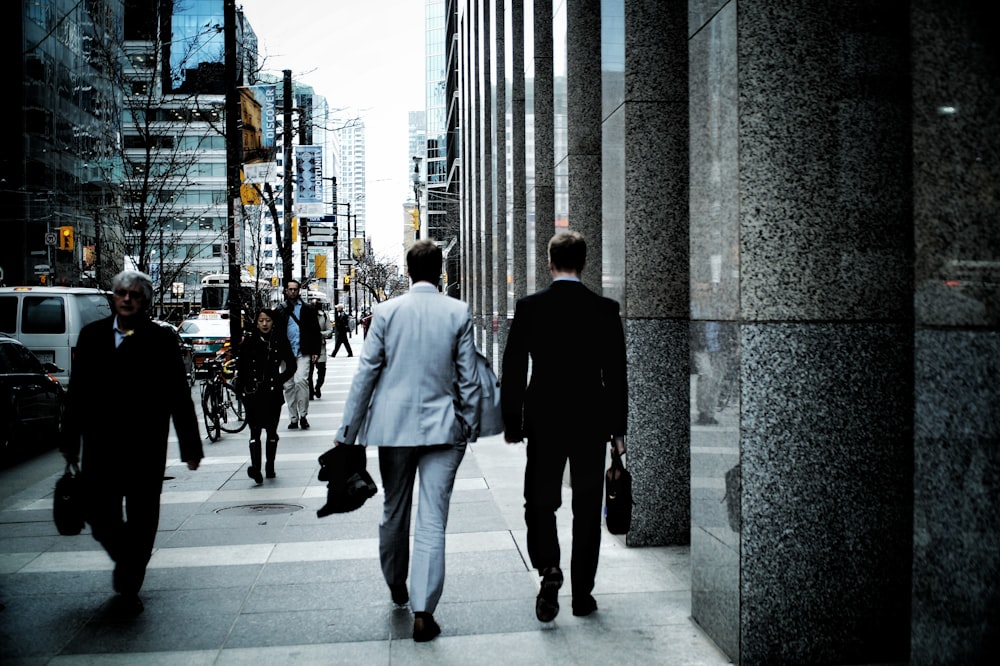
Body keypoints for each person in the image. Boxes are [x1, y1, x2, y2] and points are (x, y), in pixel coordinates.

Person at [333, 240, 480, 643]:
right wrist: (470, 422)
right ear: (440, 273)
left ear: (410, 271)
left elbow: (366, 374)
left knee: (394, 507)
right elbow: (468, 378)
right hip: (445, 429)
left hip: (394, 429)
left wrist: (348, 434)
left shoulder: (385, 312)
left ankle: (396, 583)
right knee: (433, 517)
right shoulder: (457, 312)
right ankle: (423, 610)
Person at [59, 270, 203, 617]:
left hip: (145, 449)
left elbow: (179, 397)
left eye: (134, 294)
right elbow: (77, 393)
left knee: (142, 520)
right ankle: (128, 558)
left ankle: (129, 581)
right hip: (100, 449)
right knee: (100, 517)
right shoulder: (92, 336)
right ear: (113, 297)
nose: (126, 298)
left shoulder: (160, 340)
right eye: (121, 292)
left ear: (146, 301)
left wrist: (191, 447)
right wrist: (69, 439)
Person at [501, 230, 627, 622]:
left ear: (550, 262)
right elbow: (616, 376)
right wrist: (618, 430)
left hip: (544, 417)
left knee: (540, 500)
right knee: (587, 507)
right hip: (591, 419)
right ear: (584, 263)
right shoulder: (604, 309)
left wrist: (513, 421)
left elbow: (514, 368)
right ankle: (582, 594)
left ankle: (549, 567)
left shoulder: (530, 307)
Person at [234, 308, 296, 483]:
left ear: (273, 322)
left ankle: (270, 465)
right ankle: (255, 468)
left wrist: (279, 380)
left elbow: (291, 365)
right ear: (256, 322)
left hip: (272, 393)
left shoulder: (279, 341)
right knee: (254, 432)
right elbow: (243, 366)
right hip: (253, 392)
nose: (264, 324)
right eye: (261, 320)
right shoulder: (249, 341)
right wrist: (241, 388)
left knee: (271, 431)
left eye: (267, 320)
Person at [277, 280, 321, 429]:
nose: (293, 292)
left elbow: (315, 331)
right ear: (286, 291)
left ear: (299, 291)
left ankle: (303, 415)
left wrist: (316, 351)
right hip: (286, 353)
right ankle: (293, 417)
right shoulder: (280, 309)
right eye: (290, 289)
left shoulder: (308, 309)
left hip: (303, 351)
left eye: (295, 289)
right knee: (288, 385)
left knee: (301, 381)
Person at [309, 298, 332, 399]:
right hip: (309, 347)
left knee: (321, 371)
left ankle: (318, 387)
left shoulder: (324, 316)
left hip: (321, 347)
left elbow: (329, 330)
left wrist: (320, 334)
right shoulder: (306, 316)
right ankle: (310, 392)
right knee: (308, 372)